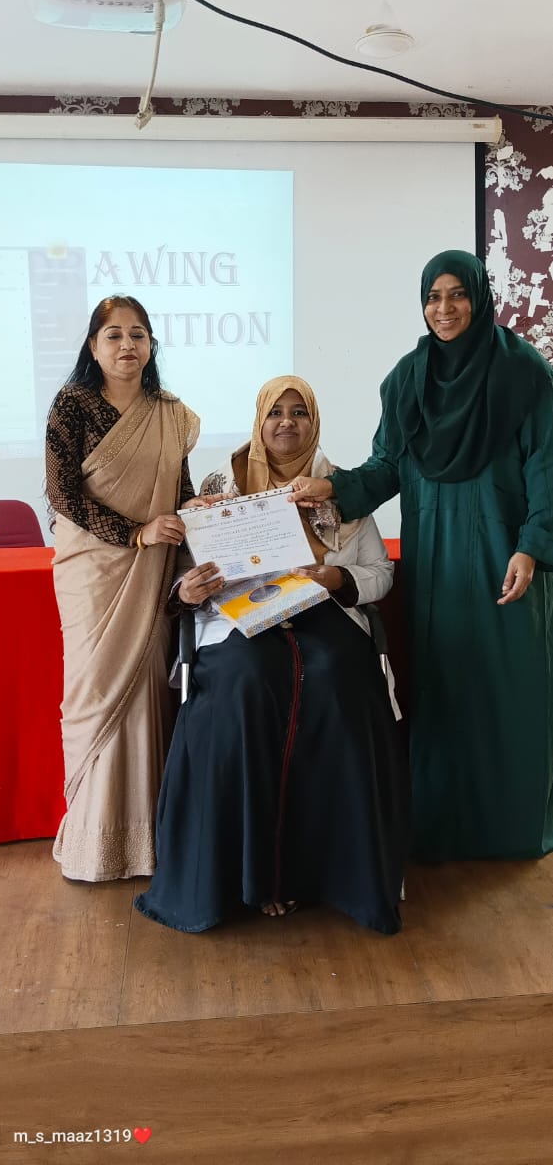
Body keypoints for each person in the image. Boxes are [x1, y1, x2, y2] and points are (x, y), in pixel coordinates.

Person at [290, 251, 553, 863]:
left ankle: (513, 828)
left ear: (480, 298)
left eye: (457, 294)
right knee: (448, 687)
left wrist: (533, 547)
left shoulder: (524, 372)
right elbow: (386, 466)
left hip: (505, 555)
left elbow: (547, 466)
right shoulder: (409, 378)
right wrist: (331, 487)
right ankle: (443, 826)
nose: (444, 308)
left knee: (508, 688)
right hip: (438, 558)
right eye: (433, 297)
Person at [134, 376, 409, 936]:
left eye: (299, 412)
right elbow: (180, 575)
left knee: (333, 677)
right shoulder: (220, 488)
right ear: (259, 422)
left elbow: (380, 573)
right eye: (275, 413)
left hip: (322, 613)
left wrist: (335, 577)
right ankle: (246, 876)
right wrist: (189, 589)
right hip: (236, 620)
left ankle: (325, 874)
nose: (287, 423)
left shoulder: (341, 489)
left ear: (315, 422)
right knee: (244, 682)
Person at [45, 295, 200, 882]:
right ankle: (93, 841)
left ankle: (145, 840)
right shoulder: (73, 405)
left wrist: (199, 511)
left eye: (138, 334)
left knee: (146, 689)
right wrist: (135, 533)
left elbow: (179, 492)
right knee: (95, 693)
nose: (127, 345)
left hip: (151, 573)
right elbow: (63, 494)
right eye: (113, 335)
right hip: (92, 571)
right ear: (93, 346)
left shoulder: (170, 414)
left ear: (152, 345)